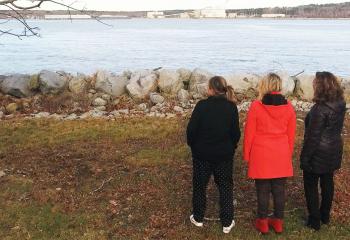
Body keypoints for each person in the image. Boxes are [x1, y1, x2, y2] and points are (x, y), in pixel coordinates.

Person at [187, 76, 241, 234]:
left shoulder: (201, 106)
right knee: (225, 187)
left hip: (202, 154)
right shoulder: (231, 107)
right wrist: (232, 147)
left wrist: (193, 146)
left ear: (211, 89)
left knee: (199, 186)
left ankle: (198, 218)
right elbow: (235, 133)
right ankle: (227, 222)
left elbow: (191, 130)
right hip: (223, 155)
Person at [244, 73, 296, 234]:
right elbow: (291, 135)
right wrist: (288, 154)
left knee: (263, 190)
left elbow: (249, 134)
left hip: (261, 153)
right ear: (279, 86)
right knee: (279, 189)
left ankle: (263, 222)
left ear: (265, 86)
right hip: (281, 152)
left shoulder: (256, 106)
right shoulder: (289, 107)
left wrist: (247, 155)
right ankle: (278, 221)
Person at [300, 71, 346, 231]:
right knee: (327, 182)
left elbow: (313, 138)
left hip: (318, 152)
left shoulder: (320, 110)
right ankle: (325, 215)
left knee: (311, 184)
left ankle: (314, 220)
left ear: (320, 86)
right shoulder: (340, 103)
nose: (312, 84)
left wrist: (304, 158)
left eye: (315, 82)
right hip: (334, 148)